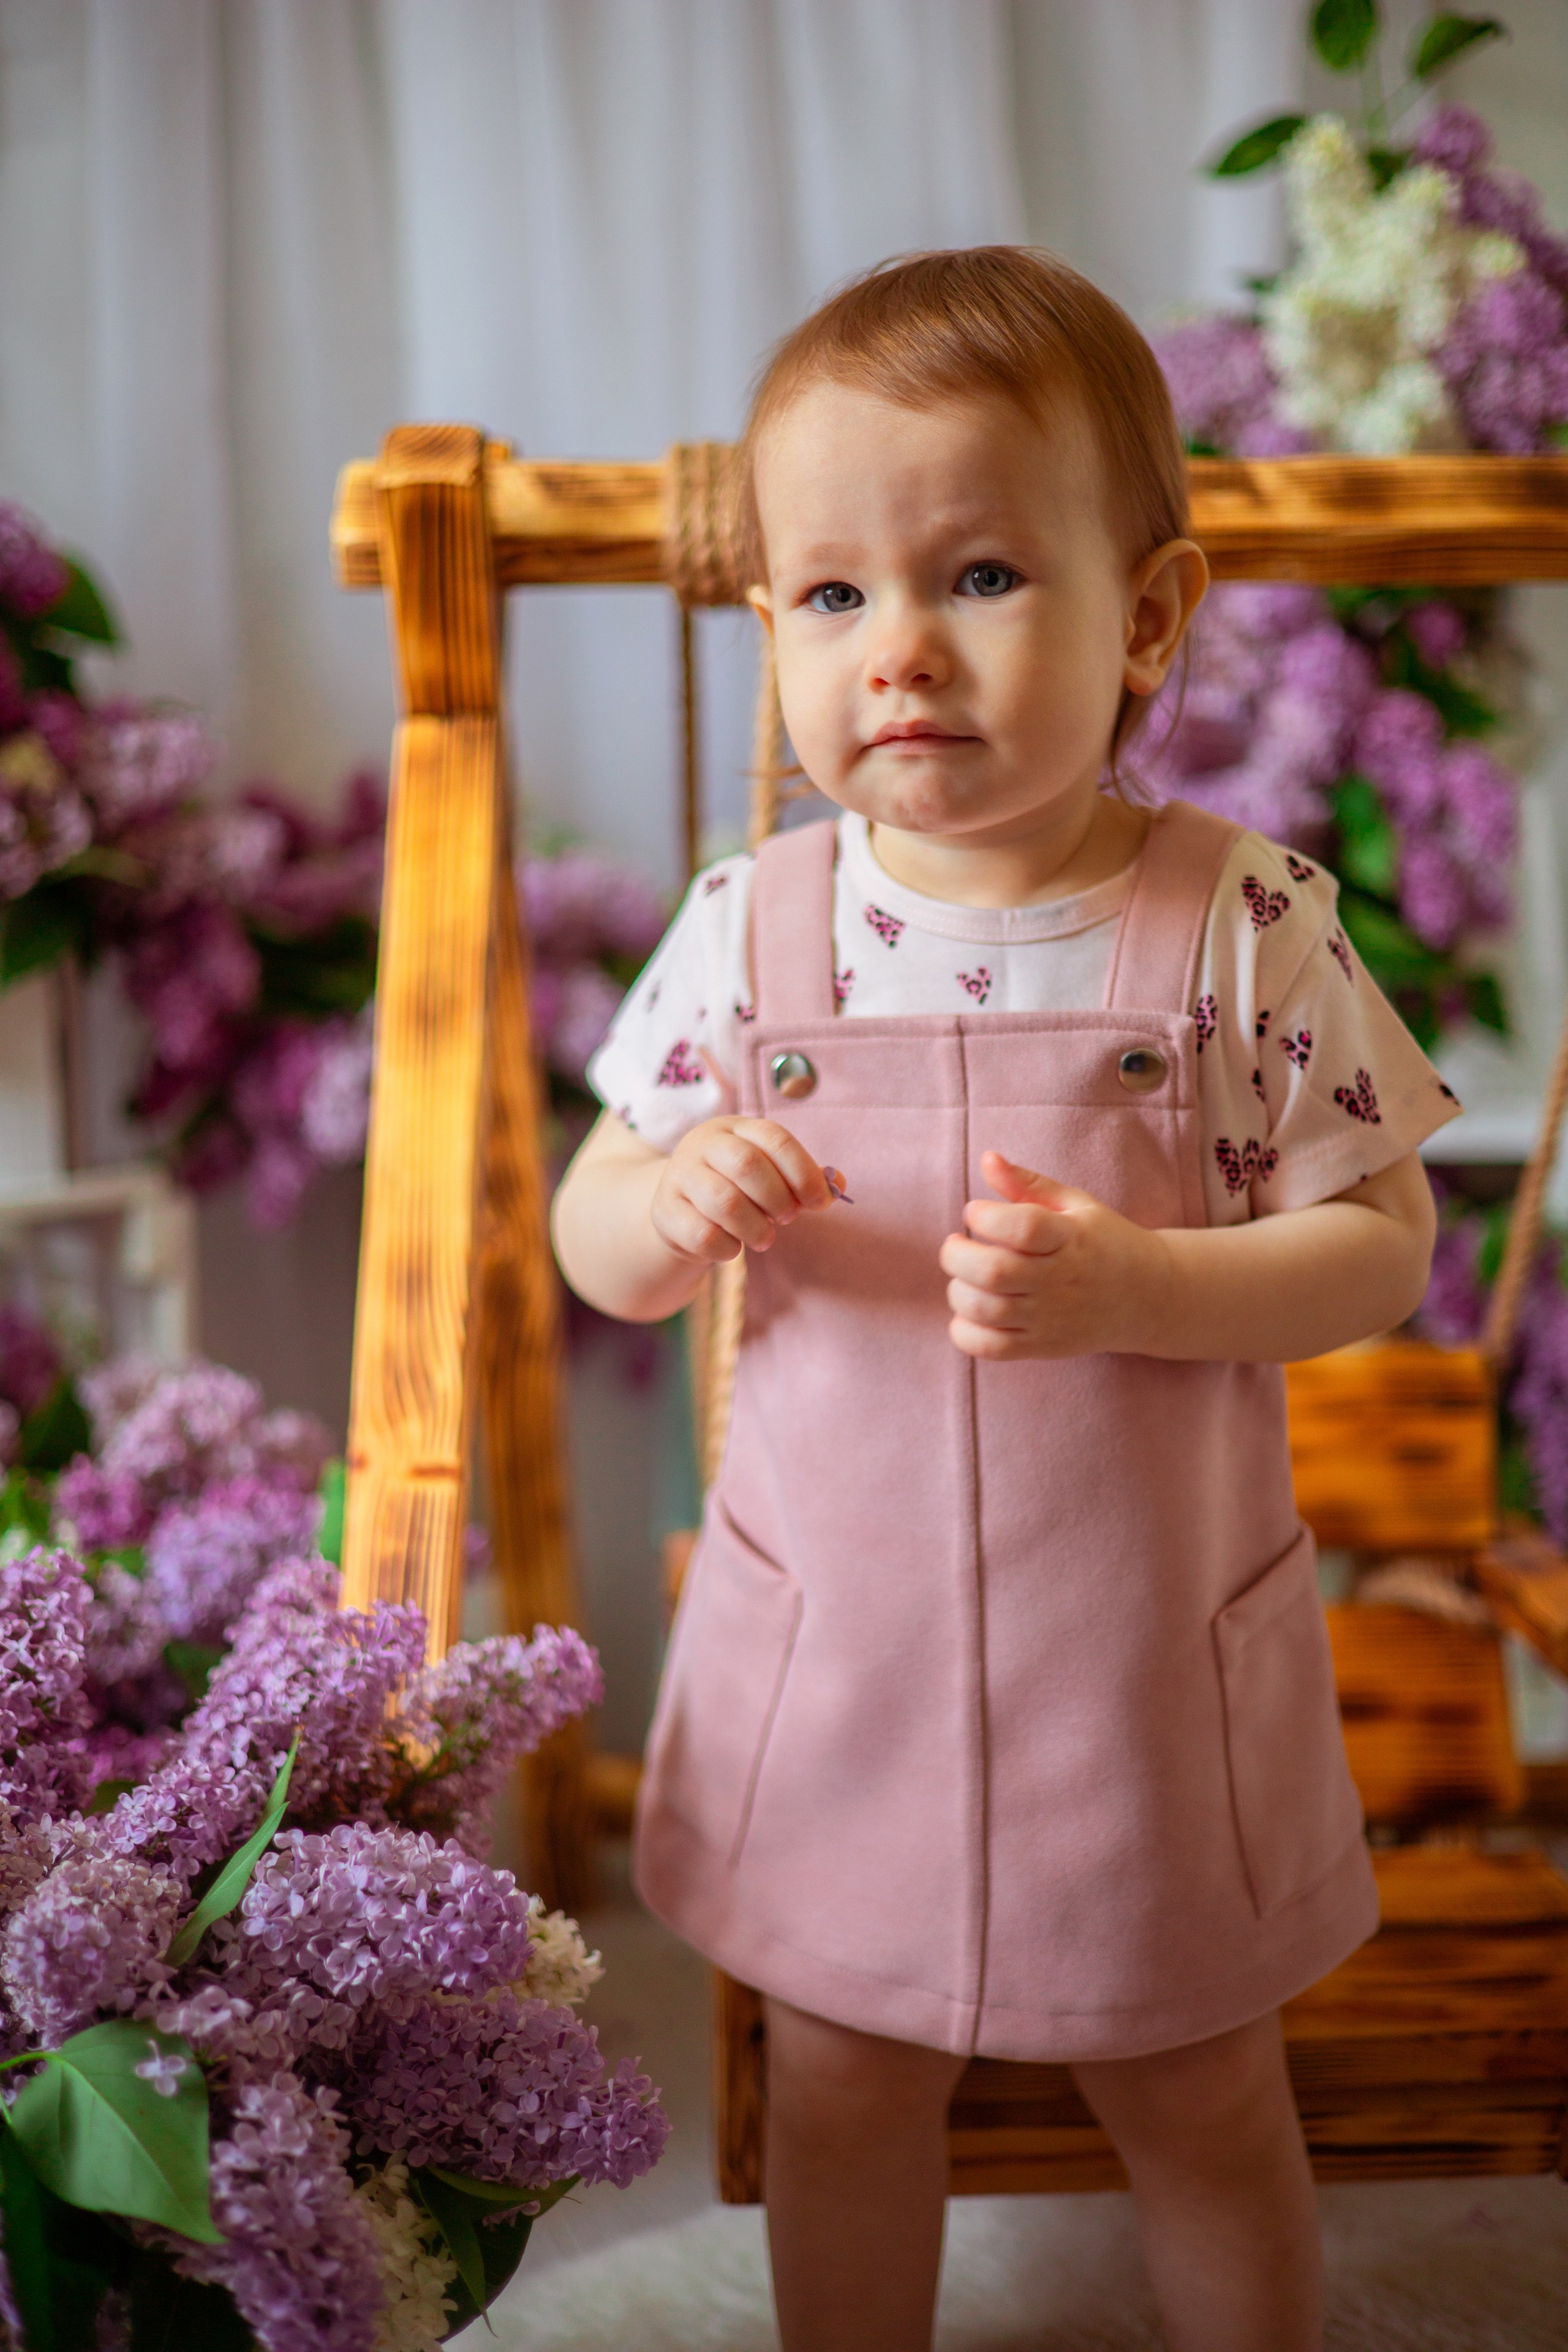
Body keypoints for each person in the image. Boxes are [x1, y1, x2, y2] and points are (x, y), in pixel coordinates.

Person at [551, 247, 1455, 2352]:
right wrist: (677, 1197)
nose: (901, 655)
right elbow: (593, 1233)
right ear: (774, 624)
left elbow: (1387, 1246)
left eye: (977, 576)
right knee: (850, 2078)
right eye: (836, 596)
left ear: (1147, 616)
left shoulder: (1235, 930)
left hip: (1136, 1668)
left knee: (1203, 2082)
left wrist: (1148, 1280)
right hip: (850, 1651)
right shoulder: (752, 934)